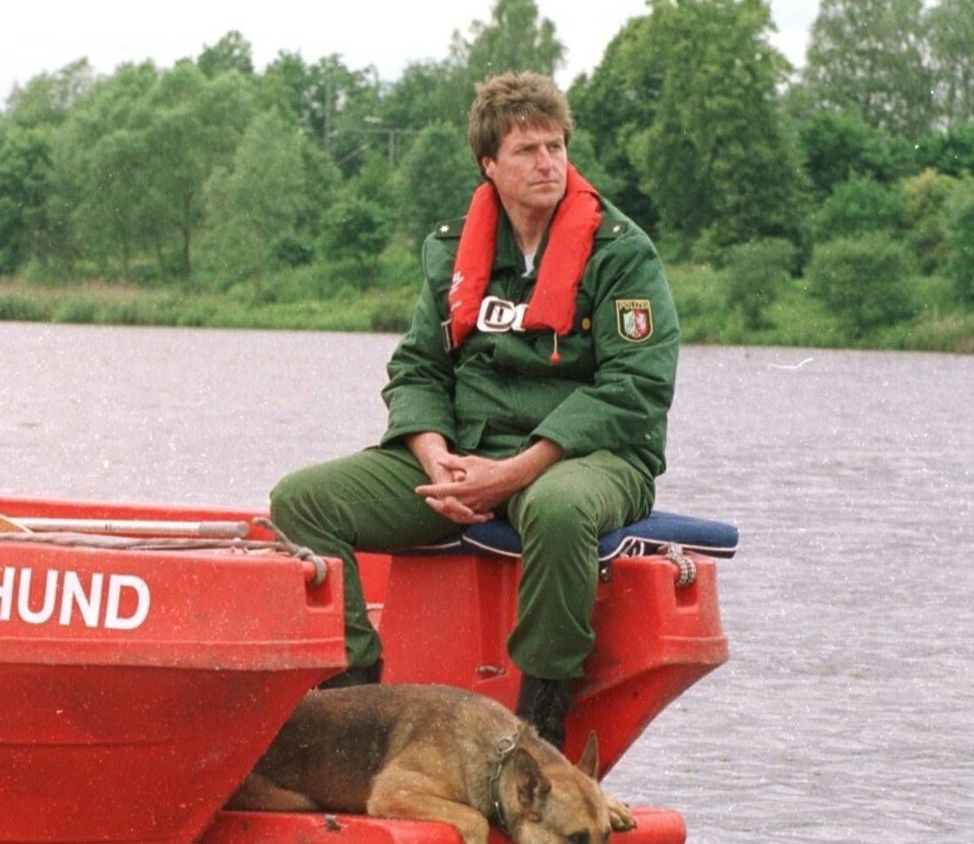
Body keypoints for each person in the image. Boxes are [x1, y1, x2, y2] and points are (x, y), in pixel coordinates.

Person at [268, 71, 679, 747]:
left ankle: (537, 726)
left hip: (588, 457)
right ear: (489, 164)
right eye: (527, 151)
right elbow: (418, 367)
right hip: (466, 450)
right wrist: (435, 457)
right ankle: (357, 708)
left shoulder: (619, 252)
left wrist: (513, 473)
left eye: (555, 147)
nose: (547, 163)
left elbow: (634, 387)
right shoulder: (453, 249)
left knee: (558, 509)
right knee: (304, 501)